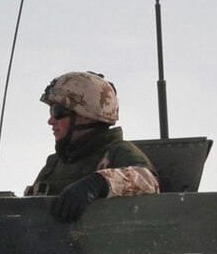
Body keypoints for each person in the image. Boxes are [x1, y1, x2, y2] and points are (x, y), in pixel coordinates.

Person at [25, 71, 159, 222]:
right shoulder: (55, 163)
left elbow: (147, 181)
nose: (51, 121)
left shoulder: (116, 152)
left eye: (58, 112)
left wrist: (97, 183)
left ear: (85, 116)